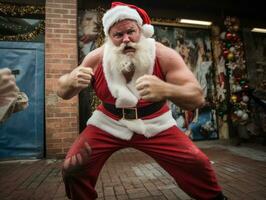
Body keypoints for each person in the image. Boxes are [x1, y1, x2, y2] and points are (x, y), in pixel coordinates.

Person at [57, 2, 227, 199]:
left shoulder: (163, 54)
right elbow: (63, 92)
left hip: (155, 121)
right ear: (109, 38)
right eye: (118, 35)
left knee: (197, 162)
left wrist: (166, 89)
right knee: (73, 167)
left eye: (131, 32)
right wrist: (69, 81)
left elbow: (196, 97)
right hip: (108, 121)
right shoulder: (97, 57)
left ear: (142, 30)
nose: (126, 40)